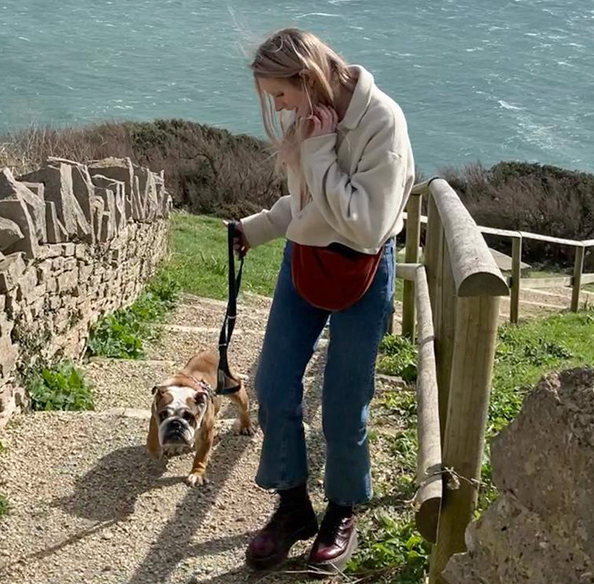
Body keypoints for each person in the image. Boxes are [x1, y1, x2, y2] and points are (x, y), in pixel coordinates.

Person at [232, 28, 414, 572]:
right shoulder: (311, 119)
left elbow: (363, 226)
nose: (279, 108)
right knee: (273, 384)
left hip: (361, 266)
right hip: (304, 260)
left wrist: (319, 150)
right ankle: (292, 508)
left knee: (342, 400)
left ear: (308, 77)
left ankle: (341, 509)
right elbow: (306, 200)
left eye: (281, 95)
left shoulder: (383, 121)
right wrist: (257, 227)